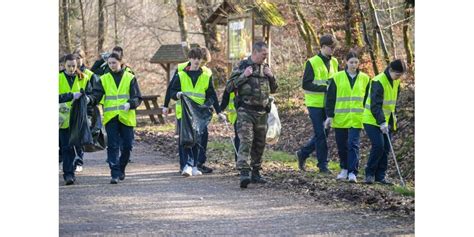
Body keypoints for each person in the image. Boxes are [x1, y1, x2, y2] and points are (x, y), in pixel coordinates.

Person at [226, 41, 278, 188]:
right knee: (246, 141)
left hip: (262, 111)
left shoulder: (266, 68)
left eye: (266, 55)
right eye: (263, 54)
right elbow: (229, 87)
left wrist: (271, 76)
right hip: (245, 111)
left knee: (260, 143)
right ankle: (244, 172)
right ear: (255, 53)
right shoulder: (242, 66)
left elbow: (274, 89)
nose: (265, 57)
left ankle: (256, 172)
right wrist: (244, 75)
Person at [87, 53, 143, 184]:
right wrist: (89, 99)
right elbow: (97, 95)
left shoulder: (130, 78)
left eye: (114, 63)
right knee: (112, 146)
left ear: (120, 62)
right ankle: (114, 173)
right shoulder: (104, 79)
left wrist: (130, 104)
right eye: (110, 63)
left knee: (128, 146)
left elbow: (137, 97)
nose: (112, 65)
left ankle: (121, 168)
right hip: (111, 117)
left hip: (126, 117)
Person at [169, 48, 225, 177]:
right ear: (189, 59)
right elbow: (171, 91)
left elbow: (212, 94)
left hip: (200, 112)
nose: (196, 61)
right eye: (194, 58)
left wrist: (219, 111)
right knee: (187, 139)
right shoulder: (181, 75)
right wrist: (177, 94)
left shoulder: (206, 76)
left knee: (198, 139)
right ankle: (187, 165)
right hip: (186, 112)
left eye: (198, 59)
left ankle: (194, 165)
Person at [324, 51, 370, 183]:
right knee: (341, 145)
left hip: (357, 117)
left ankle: (352, 172)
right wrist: (330, 116)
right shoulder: (337, 77)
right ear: (346, 62)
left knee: (353, 144)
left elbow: (367, 99)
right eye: (351, 62)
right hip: (340, 117)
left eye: (356, 62)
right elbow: (330, 98)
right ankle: (344, 169)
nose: (354, 65)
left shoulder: (366, 78)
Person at [296, 34, 339, 173]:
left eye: (334, 47)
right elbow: (306, 84)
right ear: (323, 47)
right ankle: (323, 165)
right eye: (331, 47)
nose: (333, 50)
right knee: (320, 134)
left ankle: (303, 153)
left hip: (329, 104)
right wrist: (326, 87)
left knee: (324, 134)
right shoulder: (312, 62)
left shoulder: (335, 62)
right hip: (314, 104)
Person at [362, 59, 406, 185]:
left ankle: (380, 176)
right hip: (371, 119)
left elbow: (392, 103)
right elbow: (375, 105)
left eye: (400, 75)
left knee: (386, 148)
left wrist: (390, 121)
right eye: (397, 75)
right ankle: (369, 174)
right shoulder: (378, 81)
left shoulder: (396, 82)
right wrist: (381, 122)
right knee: (378, 145)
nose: (399, 78)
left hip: (386, 120)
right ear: (390, 70)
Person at [59, 54, 92, 185]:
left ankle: (72, 169)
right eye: (69, 66)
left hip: (78, 118)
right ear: (63, 65)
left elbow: (90, 96)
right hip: (61, 119)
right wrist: (71, 95)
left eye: (74, 66)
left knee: (76, 146)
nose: (72, 68)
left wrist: (88, 115)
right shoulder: (58, 78)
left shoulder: (83, 78)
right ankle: (68, 174)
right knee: (66, 147)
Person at [72, 48, 101, 172]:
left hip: (86, 111)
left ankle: (78, 160)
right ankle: (69, 160)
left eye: (80, 57)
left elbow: (97, 93)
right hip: (68, 110)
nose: (78, 60)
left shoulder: (89, 74)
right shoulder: (68, 72)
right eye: (76, 57)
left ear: (83, 58)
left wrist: (88, 100)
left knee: (79, 136)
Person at [219, 89, 239, 162]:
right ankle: (239, 162)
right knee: (239, 138)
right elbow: (225, 99)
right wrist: (219, 110)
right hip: (237, 116)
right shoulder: (232, 83)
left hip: (250, 114)